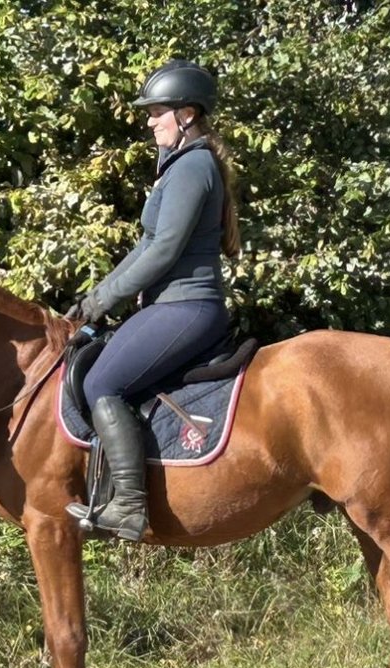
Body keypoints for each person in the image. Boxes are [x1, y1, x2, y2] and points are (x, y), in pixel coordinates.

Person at [64, 59, 241, 542]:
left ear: (186, 114)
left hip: (187, 306)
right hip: (167, 306)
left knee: (103, 381)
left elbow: (164, 250)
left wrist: (105, 299)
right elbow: (146, 245)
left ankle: (129, 507)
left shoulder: (193, 166)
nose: (148, 121)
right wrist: (97, 298)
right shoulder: (180, 167)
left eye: (156, 111)